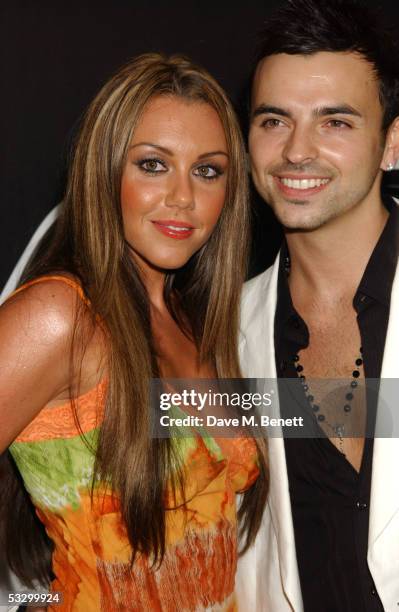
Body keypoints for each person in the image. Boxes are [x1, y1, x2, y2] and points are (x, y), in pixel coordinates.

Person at [0, 53, 268, 611]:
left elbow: (337, 419)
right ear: (104, 170)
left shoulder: (199, 323)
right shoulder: (61, 317)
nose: (183, 197)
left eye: (208, 170)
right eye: (153, 164)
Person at [237, 0, 399, 610]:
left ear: (391, 144)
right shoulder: (220, 333)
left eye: (335, 122)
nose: (296, 151)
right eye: (274, 120)